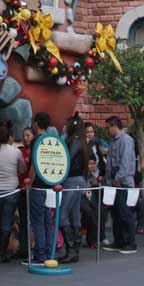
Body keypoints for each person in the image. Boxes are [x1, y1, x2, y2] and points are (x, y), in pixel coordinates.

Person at [0, 123, 24, 263]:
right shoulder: (16, 152)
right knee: (7, 222)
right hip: (11, 191)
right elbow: (21, 169)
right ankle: (2, 255)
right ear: (10, 137)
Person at [103, 116, 138, 253]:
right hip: (114, 181)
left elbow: (125, 162)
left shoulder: (126, 140)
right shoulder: (113, 141)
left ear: (114, 126)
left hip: (123, 182)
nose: (106, 131)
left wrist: (118, 178)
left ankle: (130, 242)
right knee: (116, 214)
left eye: (107, 128)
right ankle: (119, 241)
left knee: (125, 213)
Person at [58, 113, 88, 264]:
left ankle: (71, 249)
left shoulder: (74, 141)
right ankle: (73, 250)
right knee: (74, 215)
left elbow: (67, 160)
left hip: (72, 180)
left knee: (62, 215)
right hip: (76, 180)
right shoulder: (79, 141)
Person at [24, 112, 53, 265]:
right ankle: (49, 252)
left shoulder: (37, 141)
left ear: (35, 123)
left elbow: (35, 165)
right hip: (50, 187)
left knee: (38, 222)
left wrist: (29, 182)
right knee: (48, 221)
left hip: (38, 187)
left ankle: (40, 255)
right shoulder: (52, 140)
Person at [14, 127, 35, 260]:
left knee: (32, 220)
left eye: (28, 135)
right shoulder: (19, 152)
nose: (25, 137)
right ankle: (23, 248)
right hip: (21, 188)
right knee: (22, 220)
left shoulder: (36, 151)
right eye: (24, 135)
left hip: (32, 189)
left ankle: (33, 247)